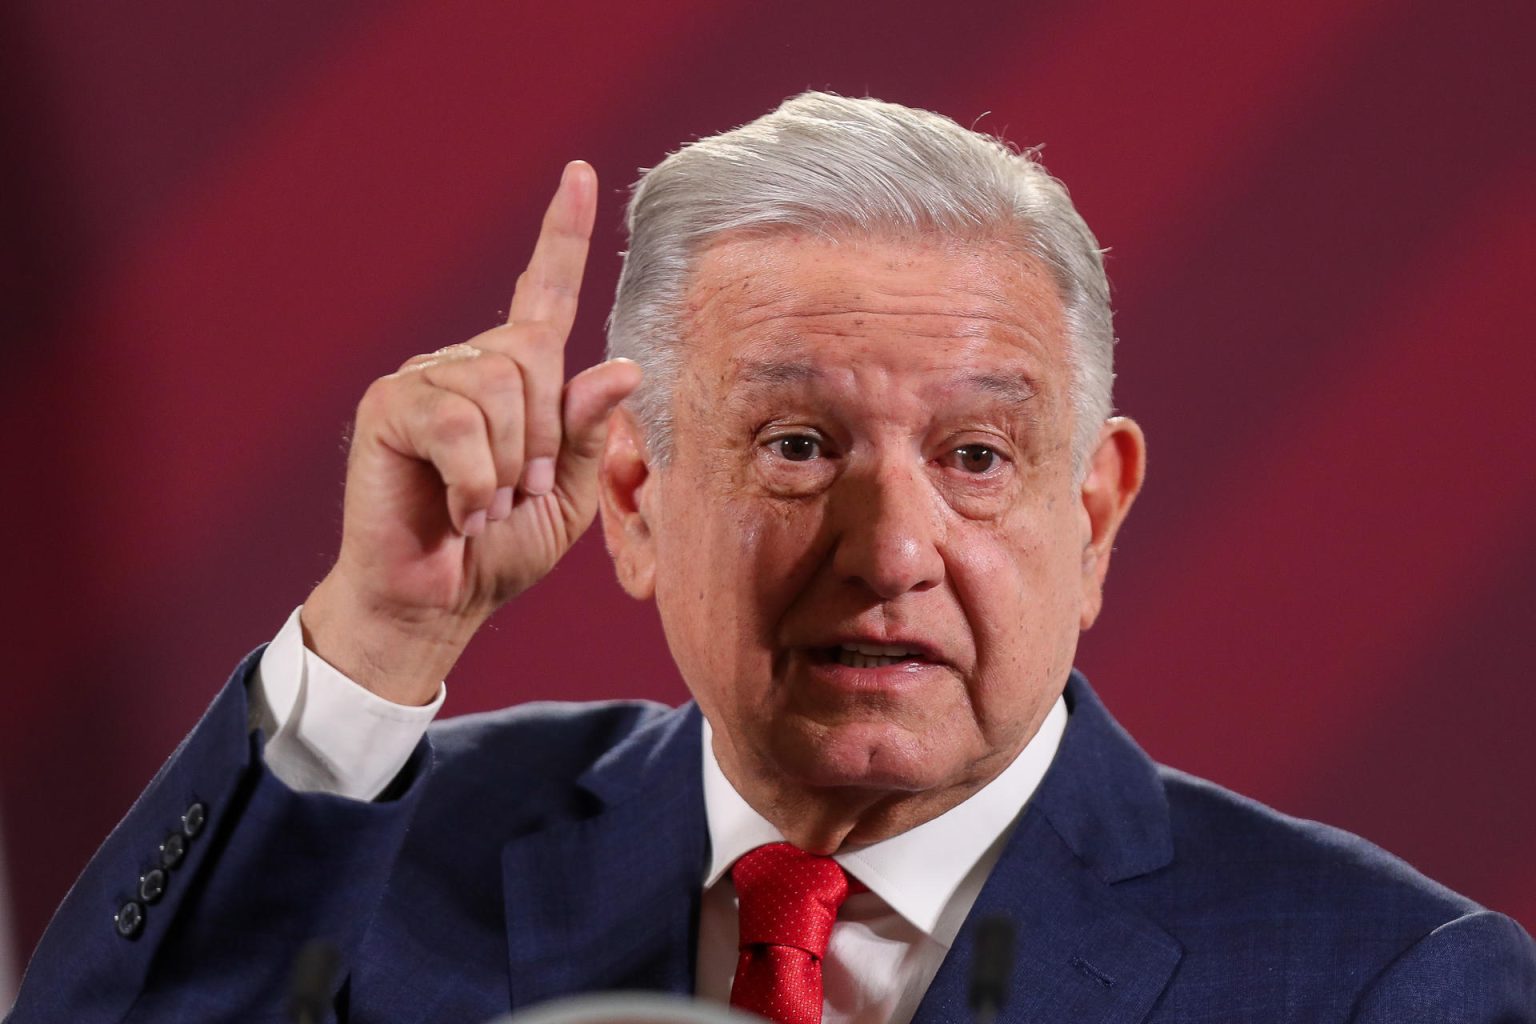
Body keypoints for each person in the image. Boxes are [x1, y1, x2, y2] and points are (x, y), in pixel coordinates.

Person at [8, 93, 1534, 1024]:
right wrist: (374, 642)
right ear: (633, 497)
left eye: (978, 458)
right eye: (798, 447)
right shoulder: (389, 861)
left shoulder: (1386, 985)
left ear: (1094, 513)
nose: (889, 553)